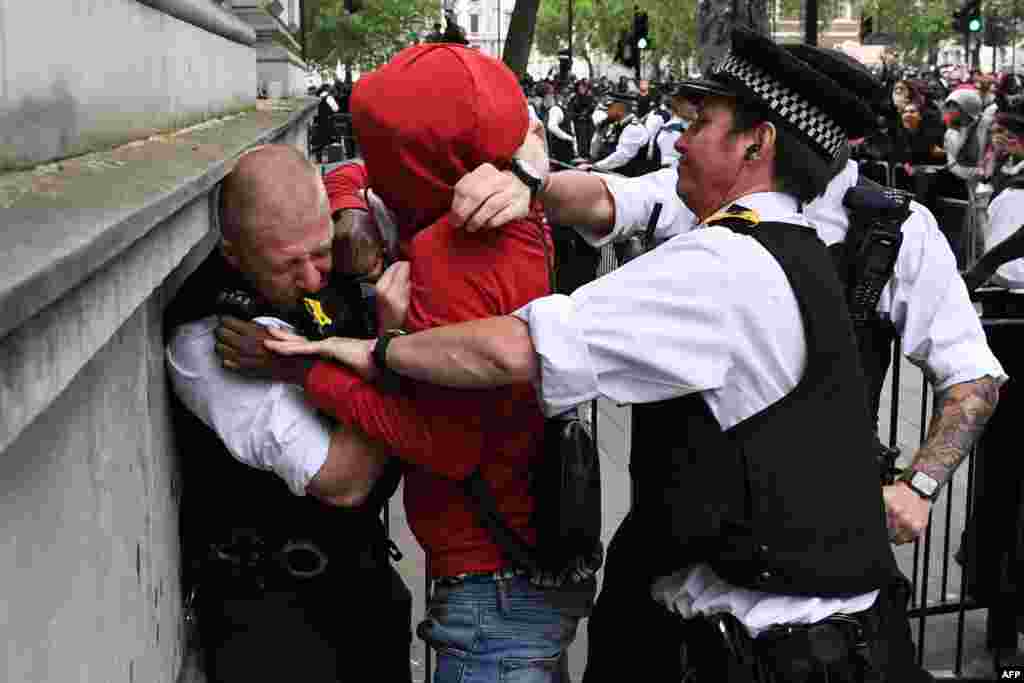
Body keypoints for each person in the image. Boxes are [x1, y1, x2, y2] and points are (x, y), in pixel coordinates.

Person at [257, 29, 957, 682]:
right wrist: (525, 174)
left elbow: (509, 351)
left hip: (781, 648)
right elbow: (595, 194)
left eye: (701, 123)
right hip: (781, 627)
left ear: (756, 144)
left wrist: (365, 351)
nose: (679, 139)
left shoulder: (724, 261)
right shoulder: (789, 241)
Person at [216, 45, 594, 683]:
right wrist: (351, 205)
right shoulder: (518, 209)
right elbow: (355, 178)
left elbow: (445, 445)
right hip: (527, 568)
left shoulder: (449, 257)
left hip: (488, 582)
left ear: (414, 162)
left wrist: (301, 369)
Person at [164, 145, 413, 682]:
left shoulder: (332, 267)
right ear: (233, 255)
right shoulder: (213, 338)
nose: (312, 279)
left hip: (361, 592)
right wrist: (389, 349)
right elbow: (344, 480)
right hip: (278, 623)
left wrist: (352, 206)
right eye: (286, 265)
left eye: (320, 253)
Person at [579, 93, 650, 176]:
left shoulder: (634, 128)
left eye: (610, 108)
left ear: (620, 109)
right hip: (610, 175)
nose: (607, 111)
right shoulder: (615, 125)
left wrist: (594, 166)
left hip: (625, 180)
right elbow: (599, 149)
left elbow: (621, 157)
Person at [544, 89, 578, 166]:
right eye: (566, 96)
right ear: (560, 96)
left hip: (567, 148)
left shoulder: (565, 109)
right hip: (559, 149)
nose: (569, 99)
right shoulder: (556, 109)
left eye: (569, 96)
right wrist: (567, 137)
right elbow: (552, 126)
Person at [567, 79, 597, 161]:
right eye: (580, 87)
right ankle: (583, 156)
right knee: (582, 139)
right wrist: (579, 115)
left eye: (583, 87)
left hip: (588, 121)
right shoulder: (574, 98)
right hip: (579, 122)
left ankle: (589, 155)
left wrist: (587, 113)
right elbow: (570, 111)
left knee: (590, 138)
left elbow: (593, 106)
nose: (582, 89)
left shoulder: (590, 97)